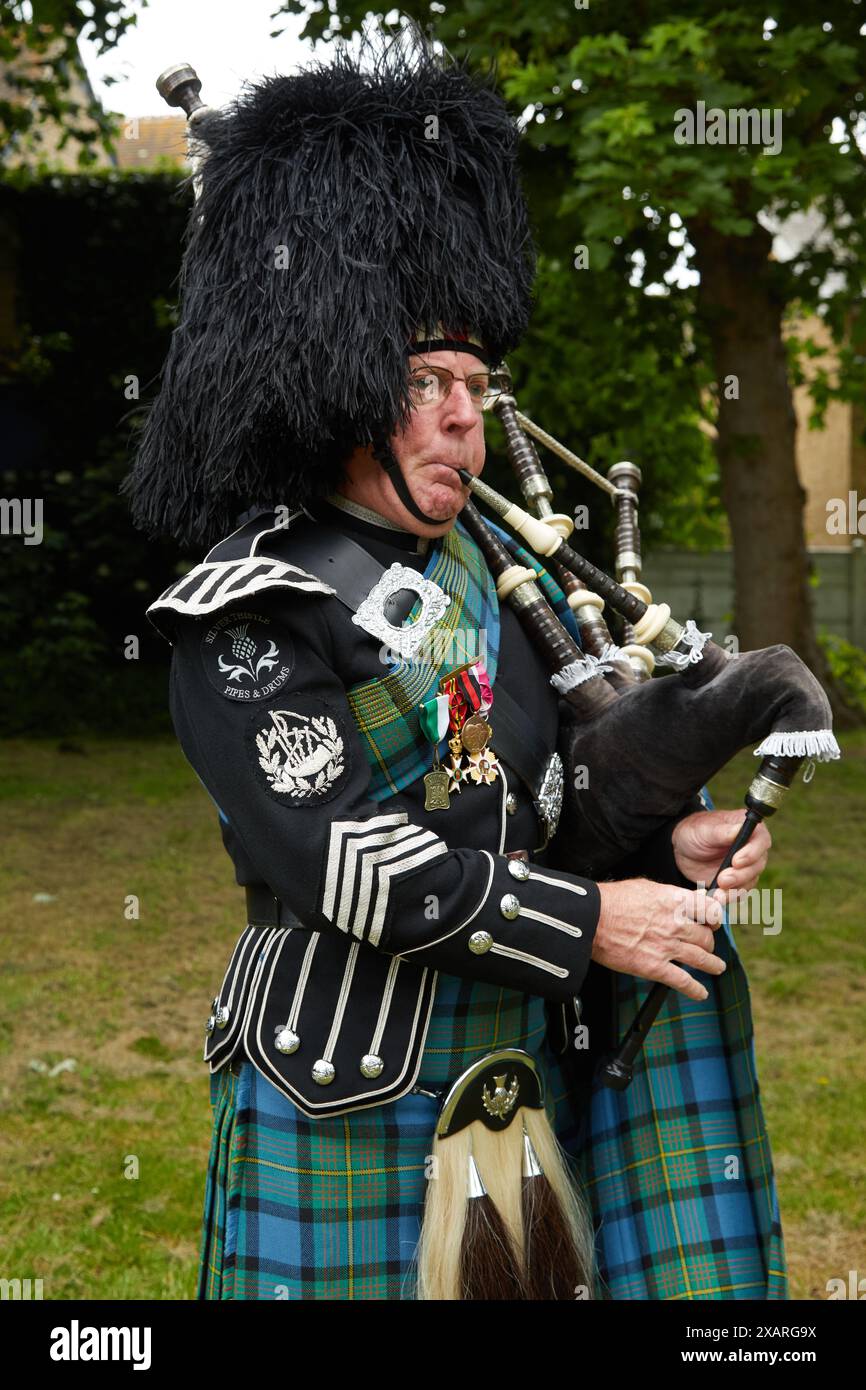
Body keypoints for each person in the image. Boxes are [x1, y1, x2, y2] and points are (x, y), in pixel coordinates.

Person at [124, 30, 786, 1300]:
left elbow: (533, 795)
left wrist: (662, 841)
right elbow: (341, 861)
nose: (464, 414)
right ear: (326, 384)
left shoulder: (489, 571)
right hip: (342, 1076)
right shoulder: (253, 605)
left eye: (475, 382)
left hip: (517, 1055)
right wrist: (590, 920)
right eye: (425, 380)